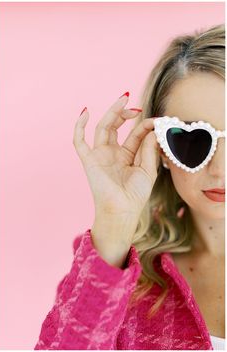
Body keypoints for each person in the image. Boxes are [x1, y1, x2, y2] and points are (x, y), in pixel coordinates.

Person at [34, 23, 225, 350]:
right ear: (160, 148)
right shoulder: (128, 279)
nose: (220, 170)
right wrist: (114, 221)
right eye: (192, 140)